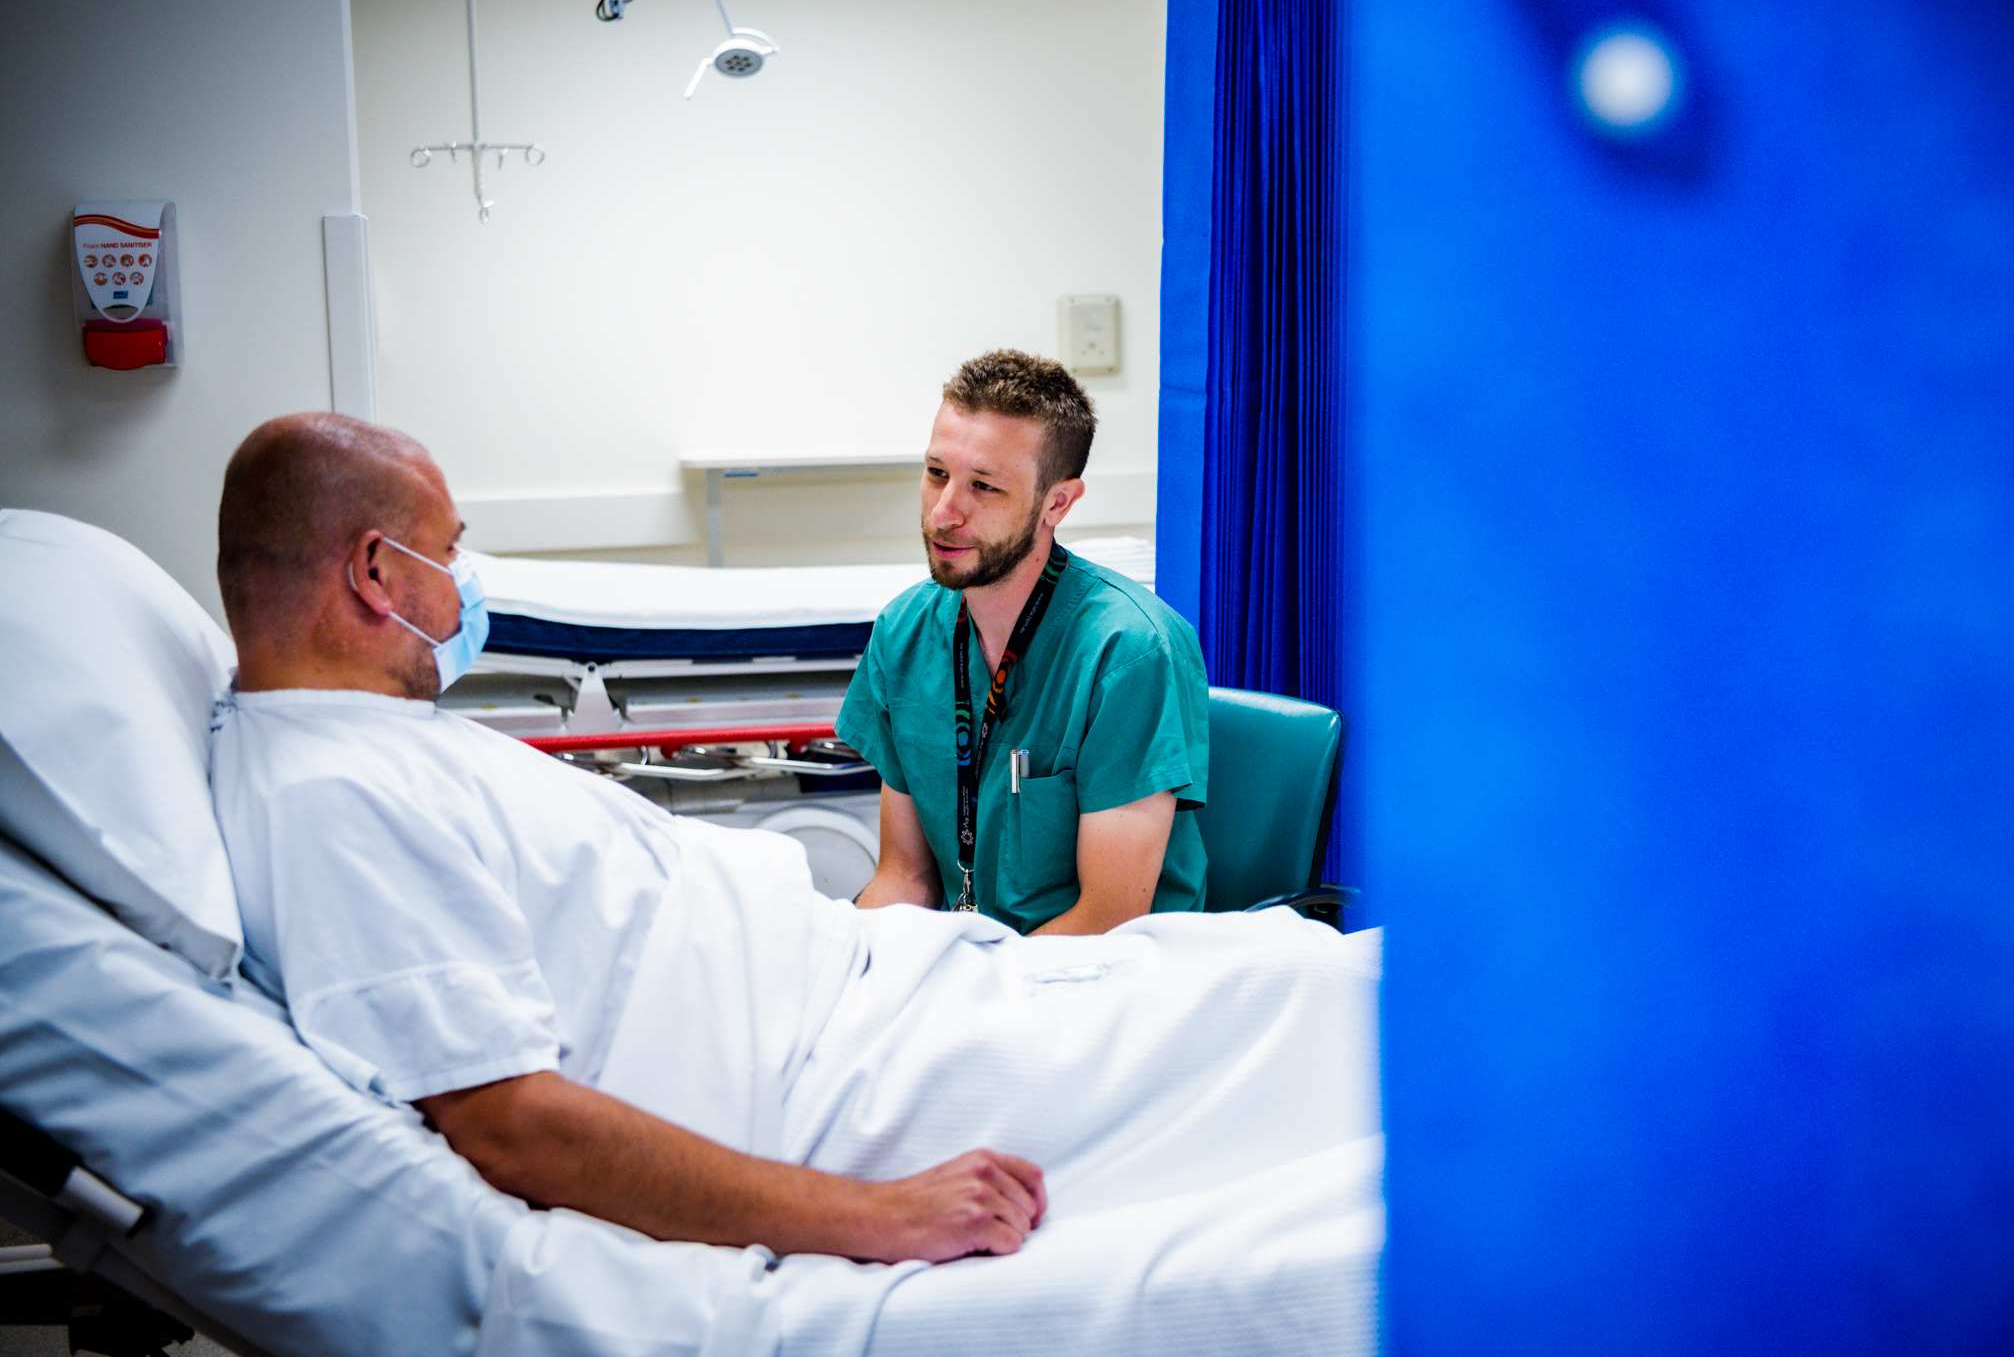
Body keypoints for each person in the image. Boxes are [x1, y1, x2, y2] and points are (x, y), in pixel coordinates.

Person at [207, 413, 1376, 1268]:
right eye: (449, 552)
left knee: (1279, 976)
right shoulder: (334, 798)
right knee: (1299, 1019)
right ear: (376, 572)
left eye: (983, 485)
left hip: (854, 988)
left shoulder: (380, 746)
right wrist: (875, 1214)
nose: (466, 590)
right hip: (824, 1068)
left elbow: (1093, 909)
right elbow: (510, 1123)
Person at [840, 351, 1211, 934]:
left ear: (1056, 503)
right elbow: (905, 876)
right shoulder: (904, 631)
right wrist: (848, 962)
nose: (944, 513)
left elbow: (1107, 918)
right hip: (972, 962)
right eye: (936, 473)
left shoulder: (1129, 652)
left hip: (1108, 973)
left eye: (984, 487)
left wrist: (971, 983)